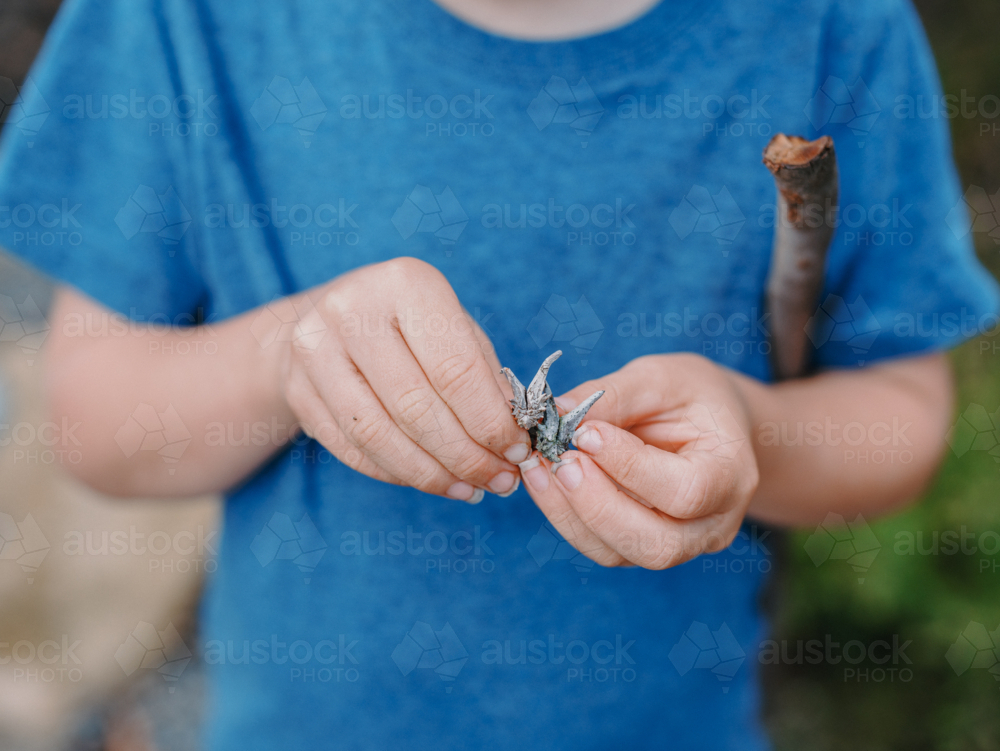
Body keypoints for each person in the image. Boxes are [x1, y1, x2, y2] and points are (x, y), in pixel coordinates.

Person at [0, 0, 994, 747]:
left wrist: (753, 427)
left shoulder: (833, 26)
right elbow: (93, 419)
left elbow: (898, 414)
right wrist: (282, 356)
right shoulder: (189, 21)